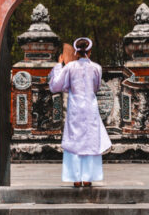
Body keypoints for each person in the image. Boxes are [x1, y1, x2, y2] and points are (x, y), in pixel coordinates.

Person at [48, 37, 112, 187]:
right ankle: (88, 178)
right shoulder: (96, 68)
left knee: (75, 141)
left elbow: (56, 85)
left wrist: (59, 65)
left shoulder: (69, 67)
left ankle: (76, 178)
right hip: (90, 107)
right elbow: (96, 87)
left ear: (76, 52)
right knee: (90, 140)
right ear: (89, 51)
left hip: (75, 108)